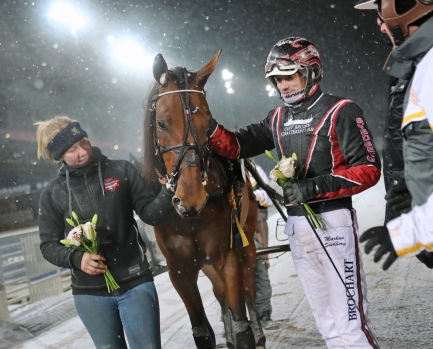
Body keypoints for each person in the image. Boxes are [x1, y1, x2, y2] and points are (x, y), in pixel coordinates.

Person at [207, 37, 381, 348]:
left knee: (350, 324)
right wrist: (205, 127)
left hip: (334, 223)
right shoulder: (276, 118)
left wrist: (314, 187)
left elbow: (369, 169)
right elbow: (236, 146)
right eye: (277, 80)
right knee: (326, 324)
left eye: (288, 76)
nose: (282, 86)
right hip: (298, 227)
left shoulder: (342, 109)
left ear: (311, 71)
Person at [35, 116, 174, 349]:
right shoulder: (52, 193)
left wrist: (170, 191)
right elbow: (48, 245)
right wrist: (77, 258)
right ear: (59, 156)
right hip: (90, 294)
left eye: (84, 142)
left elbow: (151, 214)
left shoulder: (121, 170)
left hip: (135, 281)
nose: (83, 151)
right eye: (72, 149)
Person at [355, 0, 433, 270]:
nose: (380, 24)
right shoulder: (421, 64)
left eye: (380, 14)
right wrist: (415, 189)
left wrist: (408, 231)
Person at [248, 161, 274, 328]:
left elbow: (268, 198)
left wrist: (252, 196)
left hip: (255, 220)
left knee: (260, 266)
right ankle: (233, 318)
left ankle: (264, 313)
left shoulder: (253, 168)